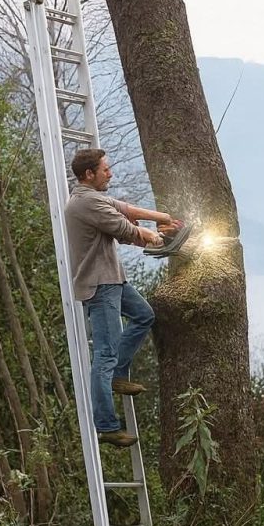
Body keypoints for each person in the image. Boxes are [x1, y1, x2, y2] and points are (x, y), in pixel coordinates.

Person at [64, 148, 182, 448]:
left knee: (144, 315)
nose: (110, 173)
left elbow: (125, 208)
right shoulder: (85, 203)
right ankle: (106, 426)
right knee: (104, 354)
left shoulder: (94, 197)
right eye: (105, 169)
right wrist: (156, 238)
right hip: (101, 285)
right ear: (89, 174)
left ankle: (118, 375)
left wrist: (164, 217)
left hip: (114, 279)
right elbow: (124, 228)